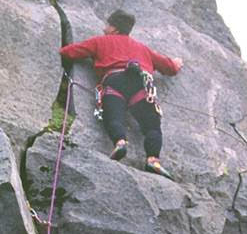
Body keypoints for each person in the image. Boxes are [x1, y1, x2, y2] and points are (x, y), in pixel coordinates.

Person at [59, 11, 182, 177]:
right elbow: (170, 67)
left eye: (107, 25)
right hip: (141, 84)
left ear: (114, 29)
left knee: (114, 116)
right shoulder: (143, 48)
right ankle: (153, 160)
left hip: (115, 81)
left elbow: (69, 52)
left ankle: (120, 142)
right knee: (152, 124)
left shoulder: (100, 42)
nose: (104, 29)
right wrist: (177, 62)